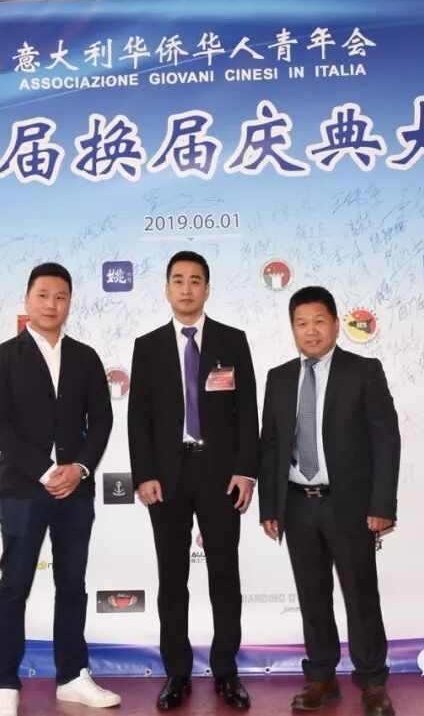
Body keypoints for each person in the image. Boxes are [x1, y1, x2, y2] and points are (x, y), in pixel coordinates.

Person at [0, 263, 120, 716]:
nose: (51, 304)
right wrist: (46, 471)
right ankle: (6, 684)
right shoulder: (4, 357)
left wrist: (78, 468)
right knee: (14, 585)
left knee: (72, 584)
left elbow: (102, 420)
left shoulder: (85, 357)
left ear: (69, 303)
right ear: (27, 299)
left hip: (75, 491)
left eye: (60, 296)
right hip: (23, 488)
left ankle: (73, 677)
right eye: (42, 295)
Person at [257, 286, 400, 716]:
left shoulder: (364, 371)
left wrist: (381, 505)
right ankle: (321, 677)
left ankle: (372, 681)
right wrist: (270, 507)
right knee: (312, 595)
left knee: (360, 594)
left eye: (319, 321)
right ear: (293, 329)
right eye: (301, 323)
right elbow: (271, 445)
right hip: (297, 502)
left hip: (349, 504)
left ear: (336, 324)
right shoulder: (279, 377)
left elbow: (386, 440)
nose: (311, 330)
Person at [127, 251, 259, 710]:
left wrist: (246, 470)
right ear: (167, 288)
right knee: (172, 578)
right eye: (179, 280)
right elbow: (138, 417)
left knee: (224, 574)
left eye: (195, 280)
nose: (187, 289)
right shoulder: (147, 346)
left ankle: (226, 671)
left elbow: (248, 412)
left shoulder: (232, 341)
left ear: (207, 288)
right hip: (167, 477)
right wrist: (144, 474)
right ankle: (177, 673)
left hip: (220, 475)